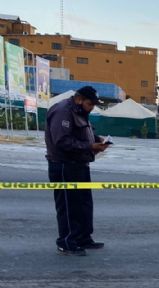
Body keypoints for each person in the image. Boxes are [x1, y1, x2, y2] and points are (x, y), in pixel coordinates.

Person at [45, 86, 110, 256]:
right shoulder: (62, 111)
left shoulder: (80, 112)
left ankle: (82, 238)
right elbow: (62, 141)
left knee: (83, 204)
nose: (92, 108)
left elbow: (82, 133)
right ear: (79, 99)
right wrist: (89, 146)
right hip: (64, 166)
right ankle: (66, 242)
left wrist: (97, 140)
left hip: (79, 165)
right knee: (68, 206)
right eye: (90, 104)